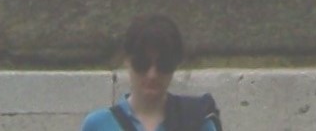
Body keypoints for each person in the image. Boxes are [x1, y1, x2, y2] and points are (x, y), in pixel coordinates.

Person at [80, 15, 220, 131]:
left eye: (163, 65)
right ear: (127, 61)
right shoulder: (97, 125)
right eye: (142, 63)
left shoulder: (196, 120)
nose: (152, 75)